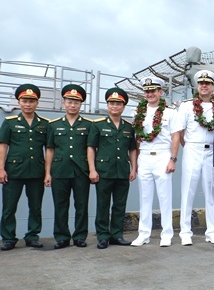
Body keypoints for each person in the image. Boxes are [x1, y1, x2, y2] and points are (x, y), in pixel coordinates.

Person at [174, 69, 214, 246]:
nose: (204, 86)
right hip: (192, 149)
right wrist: (190, 148)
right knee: (188, 191)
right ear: (197, 86)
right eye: (201, 83)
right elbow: (179, 131)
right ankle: (185, 232)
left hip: (212, 152)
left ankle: (212, 231)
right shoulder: (187, 106)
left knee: (211, 192)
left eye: (207, 83)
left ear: (213, 87)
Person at [131, 77, 180, 248]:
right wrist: (136, 163)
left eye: (153, 90)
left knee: (165, 197)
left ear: (160, 92)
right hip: (144, 156)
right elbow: (137, 139)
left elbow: (175, 138)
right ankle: (143, 234)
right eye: (147, 91)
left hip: (162, 156)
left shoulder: (170, 113)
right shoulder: (138, 113)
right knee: (145, 197)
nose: (150, 94)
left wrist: (173, 159)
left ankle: (166, 234)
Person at [0, 84, 49, 251]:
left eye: (31, 101)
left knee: (35, 206)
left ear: (37, 103)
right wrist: (1, 168)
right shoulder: (10, 122)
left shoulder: (44, 124)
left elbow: (49, 149)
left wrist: (47, 172)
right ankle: (8, 237)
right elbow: (3, 146)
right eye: (24, 101)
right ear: (19, 102)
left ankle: (32, 236)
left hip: (36, 171)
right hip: (14, 171)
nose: (28, 104)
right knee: (9, 207)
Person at [88, 87, 137, 249]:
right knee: (103, 204)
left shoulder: (129, 127)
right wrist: (92, 169)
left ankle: (117, 235)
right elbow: (91, 148)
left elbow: (132, 149)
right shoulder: (98, 125)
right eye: (111, 103)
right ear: (107, 105)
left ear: (123, 106)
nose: (115, 106)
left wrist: (133, 168)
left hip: (122, 171)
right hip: (104, 171)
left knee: (119, 204)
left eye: (118, 104)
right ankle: (103, 236)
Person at [44, 84, 93, 249]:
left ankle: (80, 236)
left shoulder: (88, 125)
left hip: (81, 171)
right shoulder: (53, 125)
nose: (72, 105)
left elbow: (90, 148)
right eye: (69, 101)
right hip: (60, 170)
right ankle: (62, 237)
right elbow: (50, 149)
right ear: (63, 103)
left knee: (81, 205)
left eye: (76, 102)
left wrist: (91, 169)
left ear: (81, 105)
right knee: (60, 205)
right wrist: (48, 173)